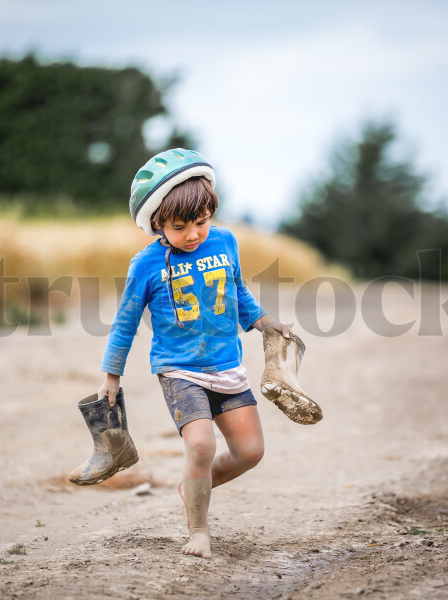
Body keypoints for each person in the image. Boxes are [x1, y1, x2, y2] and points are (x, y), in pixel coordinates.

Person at [98, 148, 291, 559]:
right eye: (180, 226)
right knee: (200, 444)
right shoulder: (146, 264)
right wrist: (111, 374)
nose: (193, 234)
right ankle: (199, 531)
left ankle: (193, 485)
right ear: (157, 224)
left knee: (250, 452)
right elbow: (126, 322)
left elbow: (238, 292)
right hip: (179, 370)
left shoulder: (225, 241)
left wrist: (263, 321)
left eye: (201, 222)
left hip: (226, 365)